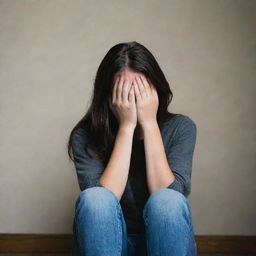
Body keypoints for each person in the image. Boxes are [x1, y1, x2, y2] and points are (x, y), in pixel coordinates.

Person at [67, 41, 198, 256]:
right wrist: (127, 127)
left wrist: (149, 124)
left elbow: (170, 197)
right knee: (95, 198)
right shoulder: (85, 134)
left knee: (167, 200)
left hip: (163, 241)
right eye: (124, 92)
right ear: (108, 95)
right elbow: (102, 202)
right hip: (110, 242)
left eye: (141, 90)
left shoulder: (181, 128)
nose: (134, 100)